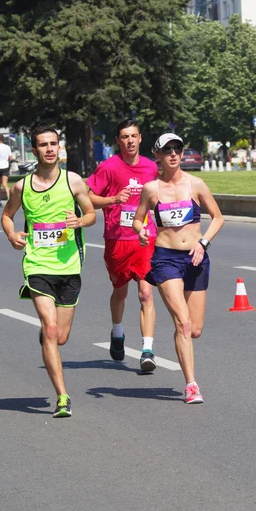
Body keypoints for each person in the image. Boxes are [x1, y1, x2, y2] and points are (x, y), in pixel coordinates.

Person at [1, 124, 96, 418]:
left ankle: (48, 341)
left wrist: (80, 222)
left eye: (54, 143)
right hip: (37, 264)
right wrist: (12, 235)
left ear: (60, 147)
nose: (50, 149)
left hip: (69, 266)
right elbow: (7, 215)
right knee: (51, 328)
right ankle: (63, 396)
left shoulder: (74, 182)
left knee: (60, 336)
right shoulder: (22, 187)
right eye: (43, 144)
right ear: (34, 149)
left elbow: (91, 213)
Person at [133, 133, 224, 404]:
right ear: (157, 155)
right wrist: (141, 232)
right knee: (182, 322)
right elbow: (138, 220)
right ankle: (191, 385)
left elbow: (218, 217)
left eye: (177, 149)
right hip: (165, 259)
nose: (173, 154)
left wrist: (204, 243)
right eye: (167, 150)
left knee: (194, 329)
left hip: (195, 259)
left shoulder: (196, 184)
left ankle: (180, 339)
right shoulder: (151, 189)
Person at [86, 119, 159, 371]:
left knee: (146, 293)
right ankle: (117, 332)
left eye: (134, 136)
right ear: (118, 141)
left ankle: (147, 350)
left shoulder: (151, 168)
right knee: (120, 292)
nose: (130, 141)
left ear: (140, 138)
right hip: (117, 241)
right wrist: (113, 199)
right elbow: (87, 199)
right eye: (124, 137)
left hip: (146, 240)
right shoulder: (108, 167)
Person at [0, 134, 13, 206]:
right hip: (5, 166)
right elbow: (11, 158)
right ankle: (9, 199)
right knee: (5, 184)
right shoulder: (7, 147)